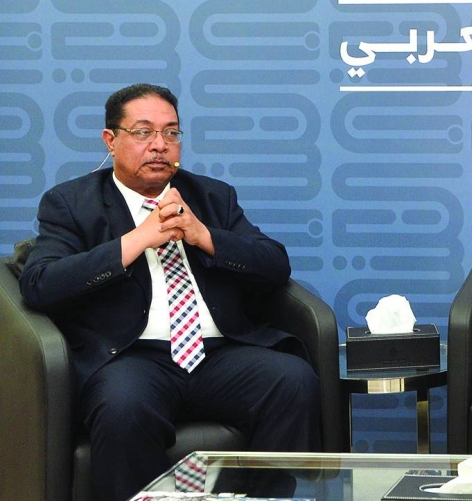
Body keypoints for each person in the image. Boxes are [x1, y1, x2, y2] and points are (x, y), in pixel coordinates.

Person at [19, 83, 321, 501]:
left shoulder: (212, 196)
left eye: (171, 132)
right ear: (111, 140)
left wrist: (203, 235)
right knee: (123, 408)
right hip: (130, 358)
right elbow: (40, 284)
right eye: (143, 132)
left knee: (292, 380)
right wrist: (135, 241)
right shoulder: (71, 203)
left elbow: (273, 264)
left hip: (218, 354)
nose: (160, 145)